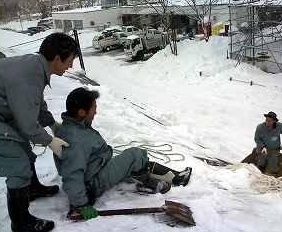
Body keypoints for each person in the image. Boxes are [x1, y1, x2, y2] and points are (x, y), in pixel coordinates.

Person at [54, 88, 192, 221]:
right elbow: (72, 173)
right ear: (82, 112)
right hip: (91, 184)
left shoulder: (74, 127)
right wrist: (80, 205)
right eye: (93, 107)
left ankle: (175, 177)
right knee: (136, 155)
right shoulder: (76, 138)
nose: (96, 112)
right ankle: (148, 184)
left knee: (136, 162)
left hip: (96, 169)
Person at [0, 33, 78, 232]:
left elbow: (35, 103)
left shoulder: (35, 66)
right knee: (17, 164)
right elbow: (29, 126)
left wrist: (51, 124)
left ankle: (32, 189)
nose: (70, 66)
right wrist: (51, 141)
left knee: (25, 150)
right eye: (70, 60)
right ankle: (20, 222)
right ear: (57, 58)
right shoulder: (29, 75)